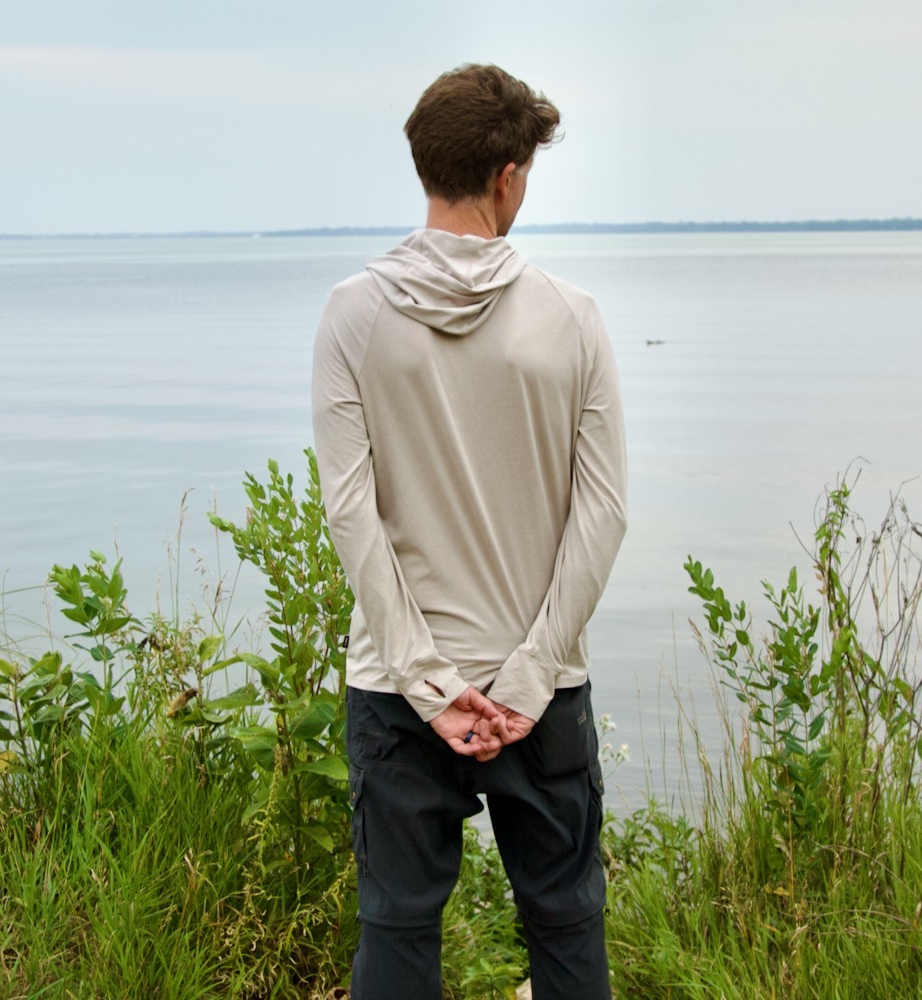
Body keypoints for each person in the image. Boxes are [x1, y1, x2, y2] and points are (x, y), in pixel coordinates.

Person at [311, 63, 627, 1000]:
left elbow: (349, 515)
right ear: (509, 178)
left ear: (425, 169)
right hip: (542, 694)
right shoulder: (573, 320)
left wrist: (427, 681)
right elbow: (602, 512)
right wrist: (526, 677)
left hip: (398, 693)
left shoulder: (351, 317)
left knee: (400, 932)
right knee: (565, 924)